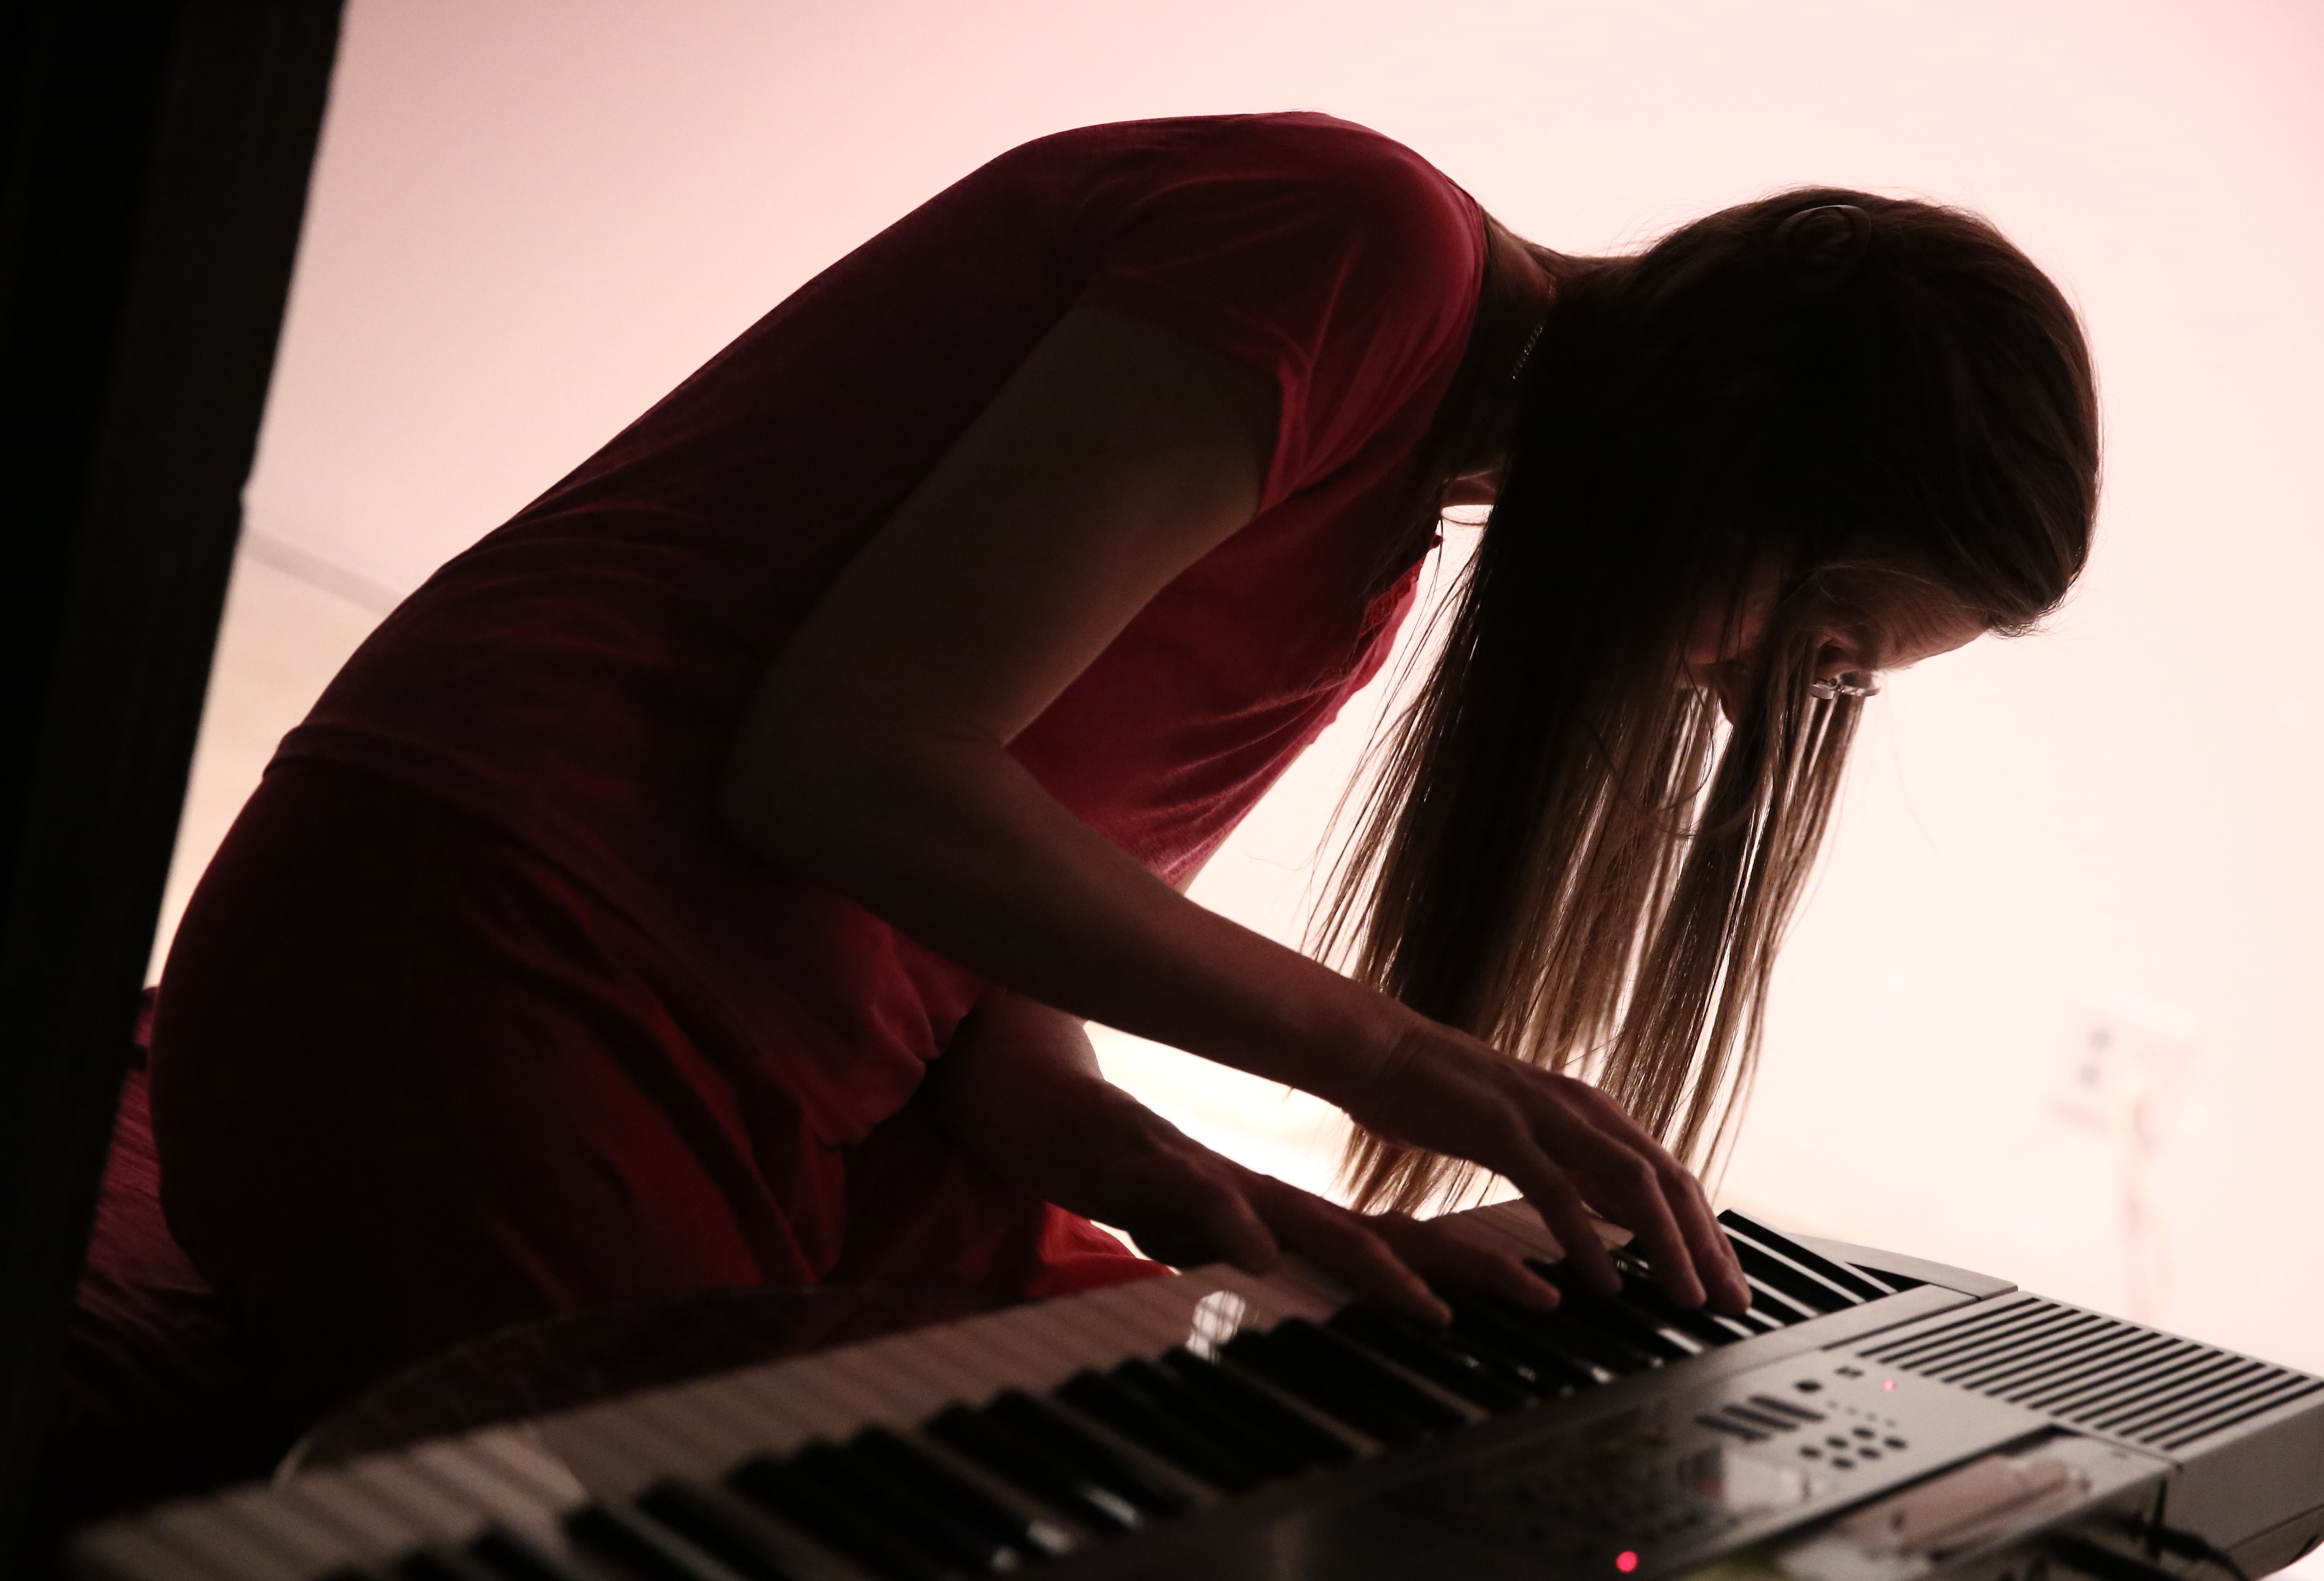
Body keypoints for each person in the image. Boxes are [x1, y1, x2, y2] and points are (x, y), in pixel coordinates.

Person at [147, 111, 2099, 1416]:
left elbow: (961, 922)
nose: (1745, 709)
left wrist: (1168, 1174)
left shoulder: (1391, 532)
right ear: (1740, 413)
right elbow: (842, 764)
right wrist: (1421, 1067)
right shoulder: (1358, 249)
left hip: (774, 1078)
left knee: (1305, 1427)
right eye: (1807, 645)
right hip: (492, 957)